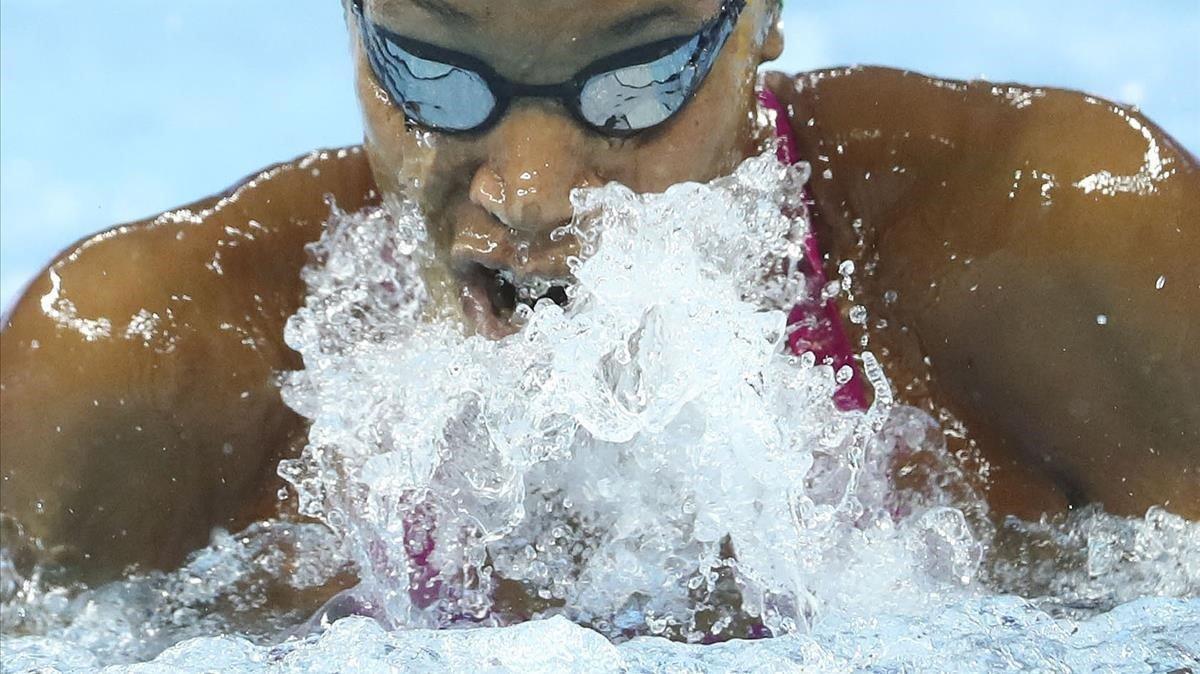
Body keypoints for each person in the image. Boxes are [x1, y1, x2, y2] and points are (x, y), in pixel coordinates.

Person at [1, 0, 1196, 586]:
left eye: (634, 84)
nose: (530, 194)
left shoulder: (1060, 254)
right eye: (433, 72)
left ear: (760, 20)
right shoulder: (137, 371)